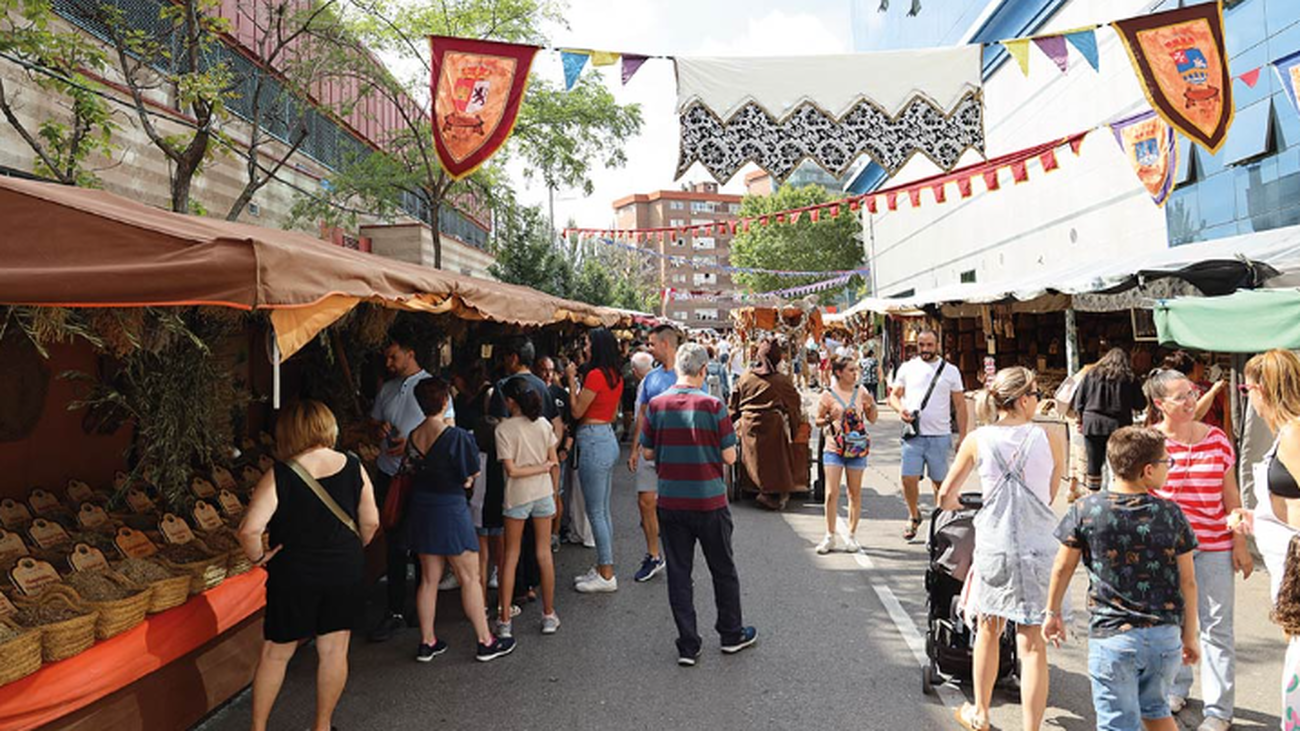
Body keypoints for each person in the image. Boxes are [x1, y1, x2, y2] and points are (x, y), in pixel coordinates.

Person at [1043, 427, 1200, 731]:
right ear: (1148, 470)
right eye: (1168, 462)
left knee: (1117, 722)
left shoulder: (1086, 509)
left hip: (1113, 637)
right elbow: (1188, 581)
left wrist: (1052, 613)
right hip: (1163, 636)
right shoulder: (1170, 513)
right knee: (1156, 709)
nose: (1170, 468)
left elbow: (1062, 568)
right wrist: (1189, 635)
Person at [237, 400, 380, 731]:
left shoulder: (281, 474)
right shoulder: (353, 465)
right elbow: (370, 522)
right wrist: (352, 548)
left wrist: (258, 558)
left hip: (293, 572)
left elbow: (249, 530)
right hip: (344, 568)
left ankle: (258, 728)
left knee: (276, 653)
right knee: (333, 650)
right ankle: (322, 725)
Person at [937, 368, 1064, 731]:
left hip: (995, 546)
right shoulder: (1051, 436)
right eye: (1037, 394)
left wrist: (966, 499)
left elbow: (946, 496)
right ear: (1024, 400)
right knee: (1033, 643)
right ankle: (1031, 728)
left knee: (989, 629)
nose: (1039, 401)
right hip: (1039, 547)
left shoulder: (977, 439)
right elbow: (1049, 494)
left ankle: (981, 712)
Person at [1144, 368, 1250, 729]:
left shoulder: (1218, 440)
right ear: (1160, 405)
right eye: (1181, 396)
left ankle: (1219, 711)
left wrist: (1240, 542)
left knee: (1217, 628)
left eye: (1192, 392)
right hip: (1168, 553)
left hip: (1215, 546)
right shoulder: (1150, 444)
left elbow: (1231, 497)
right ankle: (1176, 687)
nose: (1191, 401)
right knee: (1174, 624)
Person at [641, 342, 758, 666]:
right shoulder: (714, 406)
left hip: (671, 501)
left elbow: (648, 452)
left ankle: (688, 645)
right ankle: (731, 634)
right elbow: (730, 456)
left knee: (680, 573)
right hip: (709, 501)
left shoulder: (657, 405)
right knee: (723, 570)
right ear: (704, 370)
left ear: (678, 369)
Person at [405, 378, 516, 663]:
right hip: (451, 509)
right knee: (469, 577)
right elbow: (470, 476)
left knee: (429, 579)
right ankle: (485, 640)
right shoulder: (458, 437)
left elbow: (408, 470)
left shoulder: (414, 436)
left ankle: (427, 642)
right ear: (444, 401)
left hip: (423, 508)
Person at [1227, 349, 1300, 725]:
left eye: (1246, 387)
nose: (1246, 396)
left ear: (1264, 390)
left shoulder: (1295, 433)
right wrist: (1258, 519)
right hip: (1286, 572)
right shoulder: (1285, 434)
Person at [368, 331, 454, 643]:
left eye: (394, 356)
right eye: (386, 359)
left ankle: (422, 606)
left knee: (421, 545)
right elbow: (374, 421)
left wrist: (413, 442)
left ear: (410, 352)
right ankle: (394, 611)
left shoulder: (433, 387)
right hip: (389, 474)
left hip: (420, 477)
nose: (389, 363)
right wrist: (381, 428)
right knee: (393, 543)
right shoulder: (387, 388)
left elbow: (448, 429)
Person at [495, 377, 561, 637]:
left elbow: (511, 470)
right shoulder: (543, 424)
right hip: (543, 492)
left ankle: (505, 620)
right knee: (543, 553)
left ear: (510, 401)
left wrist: (536, 469)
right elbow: (553, 461)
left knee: (510, 556)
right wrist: (553, 490)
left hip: (517, 496)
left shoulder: (504, 429)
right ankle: (548, 614)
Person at [888, 329, 968, 541]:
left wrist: (963, 436)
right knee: (908, 478)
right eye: (921, 345)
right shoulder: (907, 368)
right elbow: (893, 396)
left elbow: (960, 405)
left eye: (929, 345)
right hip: (914, 434)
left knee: (939, 483)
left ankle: (939, 522)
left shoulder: (950, 371)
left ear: (937, 345)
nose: (925, 349)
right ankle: (914, 515)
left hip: (940, 435)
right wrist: (900, 410)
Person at [566, 327, 625, 593]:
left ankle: (606, 573)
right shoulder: (615, 376)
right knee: (602, 510)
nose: (585, 348)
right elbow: (612, 415)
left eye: (588, 343)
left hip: (592, 438)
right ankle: (603, 567)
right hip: (607, 436)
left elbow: (577, 410)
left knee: (596, 512)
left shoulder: (595, 375)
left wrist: (570, 380)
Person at [732, 338, 806, 511]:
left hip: (748, 426)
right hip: (773, 427)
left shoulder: (745, 378)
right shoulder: (782, 381)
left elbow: (733, 405)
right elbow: (795, 404)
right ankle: (771, 491)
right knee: (778, 451)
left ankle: (753, 485)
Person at [813, 356, 878, 554]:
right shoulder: (828, 395)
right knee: (831, 493)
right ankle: (830, 535)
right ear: (839, 373)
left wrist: (872, 404)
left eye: (855, 370)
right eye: (850, 370)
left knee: (854, 493)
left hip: (856, 449)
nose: (854, 373)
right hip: (834, 447)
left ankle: (851, 535)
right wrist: (828, 420)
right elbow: (817, 420)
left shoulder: (862, 392)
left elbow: (872, 419)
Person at [1072, 347, 1146, 494]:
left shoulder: (1091, 375)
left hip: (1092, 425)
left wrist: (1080, 420)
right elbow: (1141, 403)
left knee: (1094, 464)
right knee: (1118, 464)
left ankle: (1092, 496)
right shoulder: (1128, 378)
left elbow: (1078, 401)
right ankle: (1117, 494)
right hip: (1119, 427)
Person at [627, 345, 669, 583]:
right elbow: (641, 416)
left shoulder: (683, 376)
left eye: (654, 344)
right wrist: (636, 449)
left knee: (674, 506)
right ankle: (654, 555)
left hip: (674, 451)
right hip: (650, 449)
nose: (652, 349)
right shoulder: (650, 380)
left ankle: (679, 562)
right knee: (646, 501)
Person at [534, 355, 571, 552]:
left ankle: (554, 533)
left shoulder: (560, 395)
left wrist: (564, 448)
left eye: (551, 370)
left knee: (556, 494)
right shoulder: (531, 393)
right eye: (543, 370)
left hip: (557, 454)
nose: (547, 375)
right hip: (535, 455)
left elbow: (569, 424)